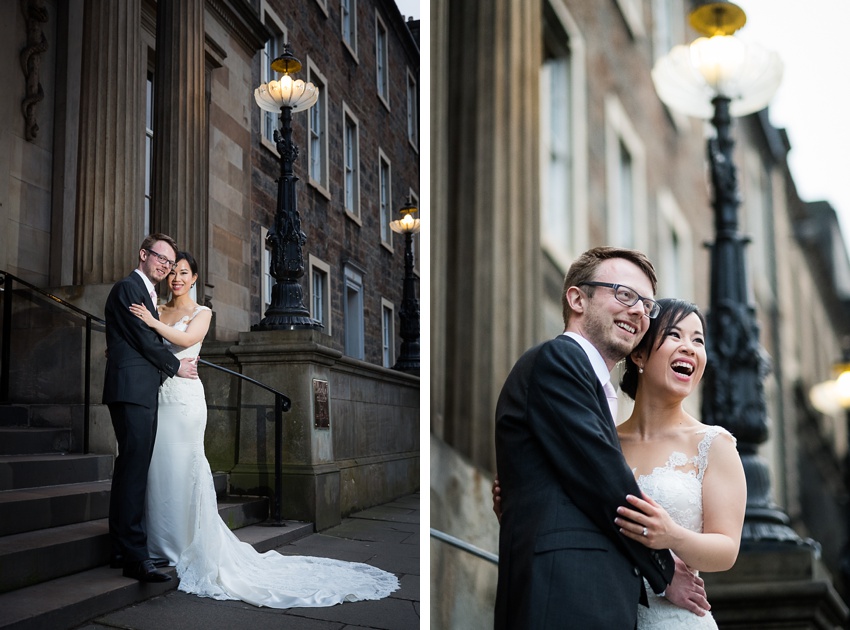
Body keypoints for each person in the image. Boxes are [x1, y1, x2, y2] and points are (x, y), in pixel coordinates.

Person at [128, 251, 400, 608]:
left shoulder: (201, 312)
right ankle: (158, 543)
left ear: (194, 278)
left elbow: (183, 340)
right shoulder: (159, 309)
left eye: (183, 272)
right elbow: (149, 349)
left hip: (186, 401)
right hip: (161, 396)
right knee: (159, 469)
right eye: (173, 272)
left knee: (184, 467)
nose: (176, 278)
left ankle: (185, 545)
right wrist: (150, 322)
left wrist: (150, 322)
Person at [493, 296, 747, 629]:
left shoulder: (715, 444)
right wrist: (521, 505)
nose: (689, 348)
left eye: (698, 340)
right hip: (599, 611)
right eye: (675, 335)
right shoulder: (598, 442)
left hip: (675, 618)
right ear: (639, 353)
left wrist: (672, 537)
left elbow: (726, 550)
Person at [102, 233, 198, 583]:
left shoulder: (146, 293)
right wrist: (176, 367)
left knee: (131, 467)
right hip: (132, 390)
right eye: (161, 258)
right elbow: (143, 338)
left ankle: (120, 548)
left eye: (170, 263)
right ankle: (136, 557)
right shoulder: (128, 288)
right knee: (134, 469)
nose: (166, 266)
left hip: (139, 389)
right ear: (143, 254)